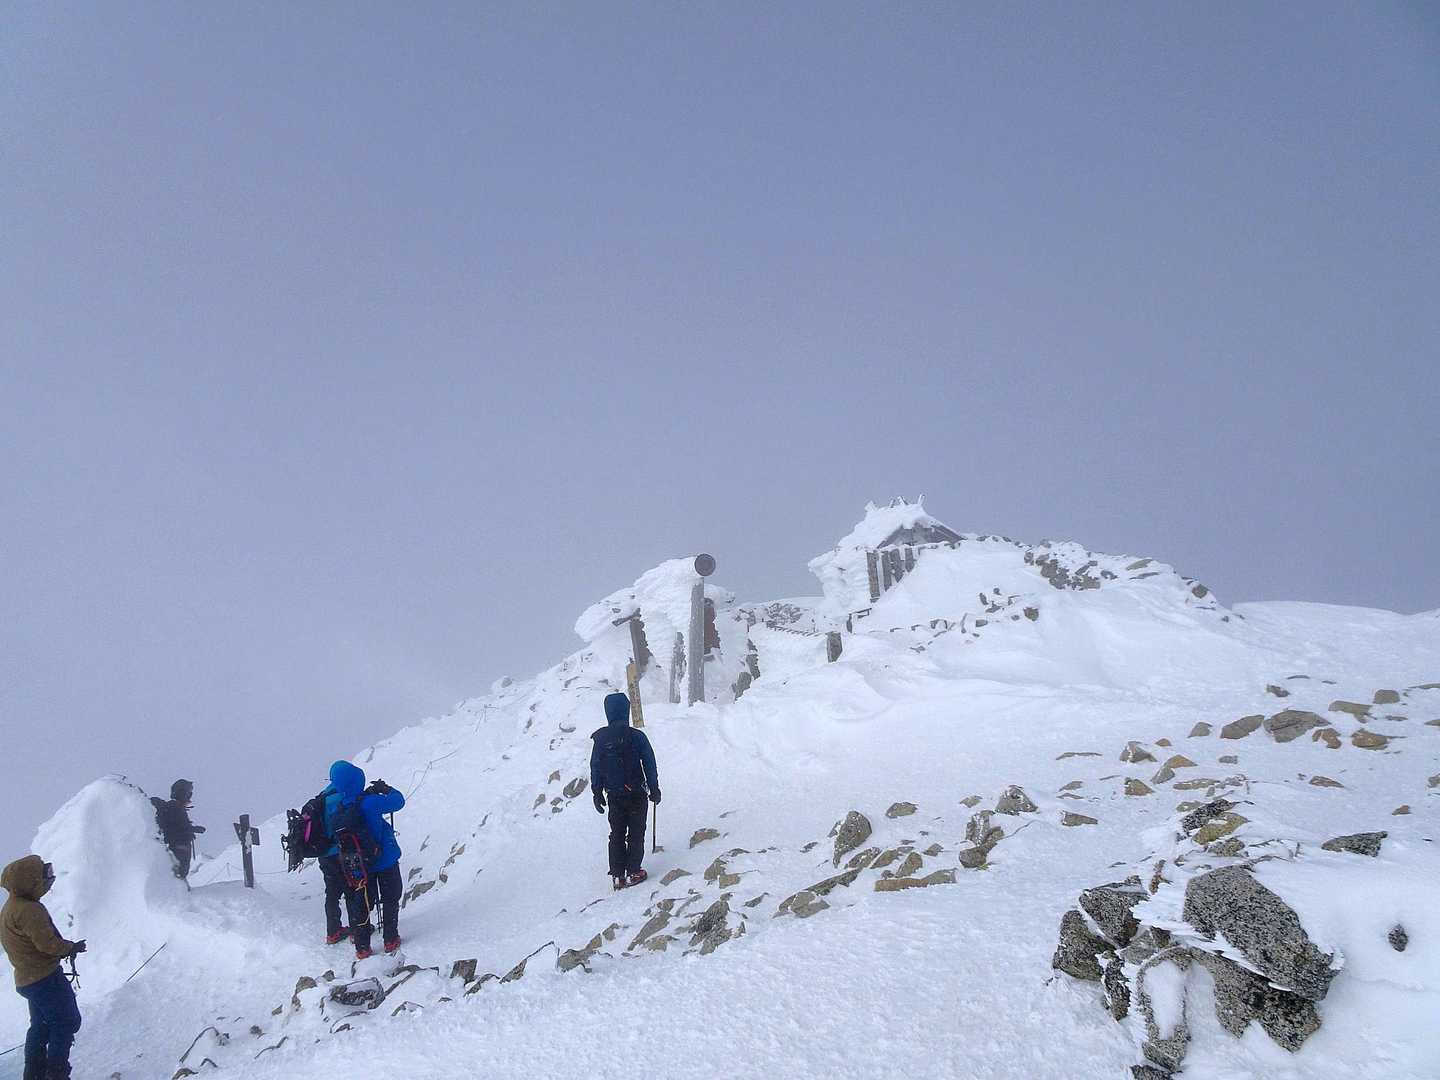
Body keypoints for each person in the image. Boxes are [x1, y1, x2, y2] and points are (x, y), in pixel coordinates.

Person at [1, 856, 85, 1080]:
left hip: (28, 980)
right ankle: (56, 1074)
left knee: (41, 1026)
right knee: (65, 1021)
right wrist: (70, 947)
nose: (49, 879)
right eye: (44, 875)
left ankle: (34, 1074)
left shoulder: (10, 908)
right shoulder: (28, 910)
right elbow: (47, 944)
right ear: (30, 881)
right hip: (45, 978)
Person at [324, 761, 405, 960]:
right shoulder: (370, 802)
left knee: (362, 904)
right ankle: (390, 939)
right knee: (390, 898)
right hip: (385, 860)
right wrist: (386, 789)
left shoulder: (340, 809)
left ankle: (362, 947)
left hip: (359, 865)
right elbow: (398, 801)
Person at [590, 691, 660, 890]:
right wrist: (654, 787)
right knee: (636, 832)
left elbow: (596, 766)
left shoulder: (601, 739)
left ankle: (618, 875)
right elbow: (649, 763)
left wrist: (597, 792)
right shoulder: (637, 736)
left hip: (614, 794)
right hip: (637, 793)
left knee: (617, 833)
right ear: (626, 711)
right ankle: (634, 871)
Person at [151, 779, 205, 880]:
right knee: (178, 873)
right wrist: (192, 829)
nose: (190, 796)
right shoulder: (173, 807)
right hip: (178, 846)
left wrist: (191, 829)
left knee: (180, 872)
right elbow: (175, 827)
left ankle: (177, 885)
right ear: (182, 793)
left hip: (179, 846)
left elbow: (177, 826)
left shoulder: (176, 807)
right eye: (189, 793)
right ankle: (175, 886)